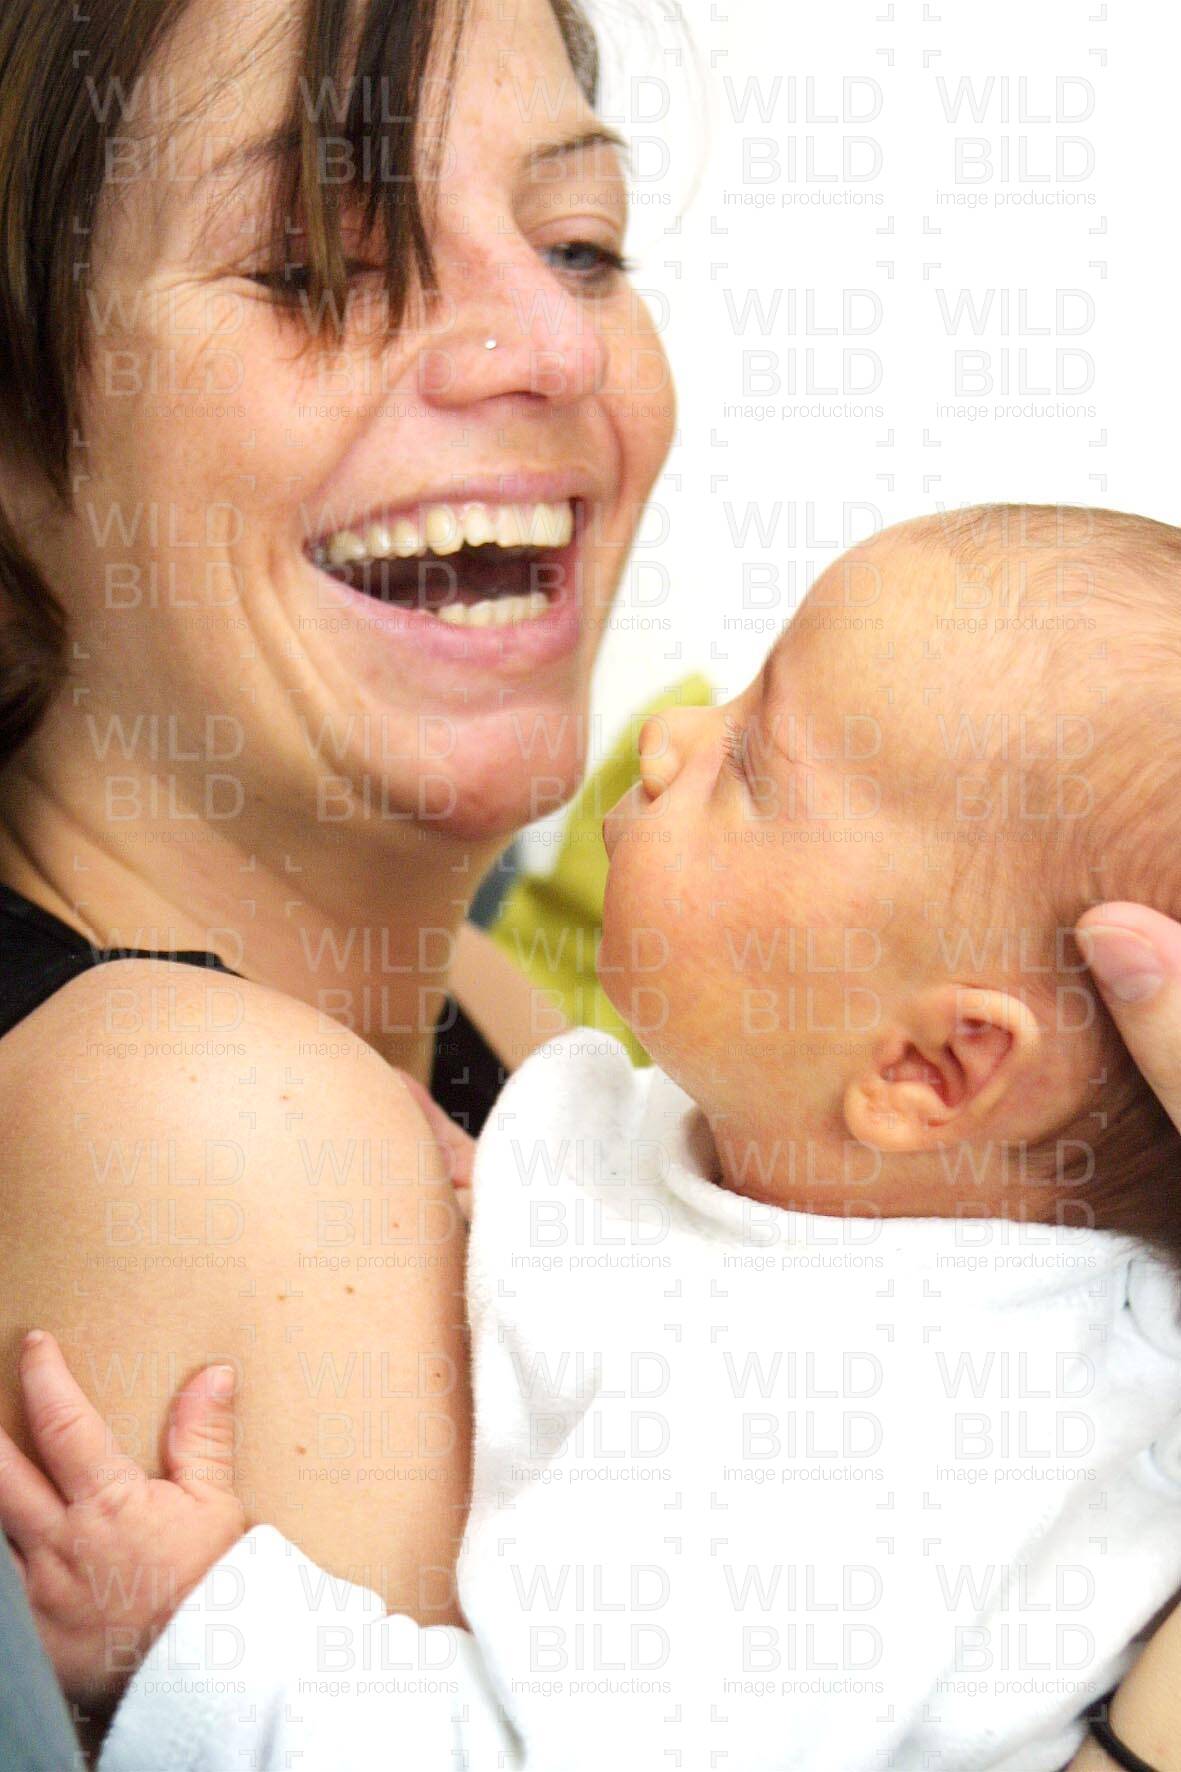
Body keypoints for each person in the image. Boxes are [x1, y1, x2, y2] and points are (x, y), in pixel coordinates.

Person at [5, 505, 1181, 1771]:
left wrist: (195, 1633)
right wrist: (512, 1206)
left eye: (753, 768)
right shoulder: (832, 1191)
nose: (669, 736)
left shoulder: (857, 1450)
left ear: (925, 1068)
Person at [0, 0, 675, 1723]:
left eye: (580, 245)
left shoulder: (487, 1007)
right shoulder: (216, 1121)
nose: (554, 346)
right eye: (317, 264)